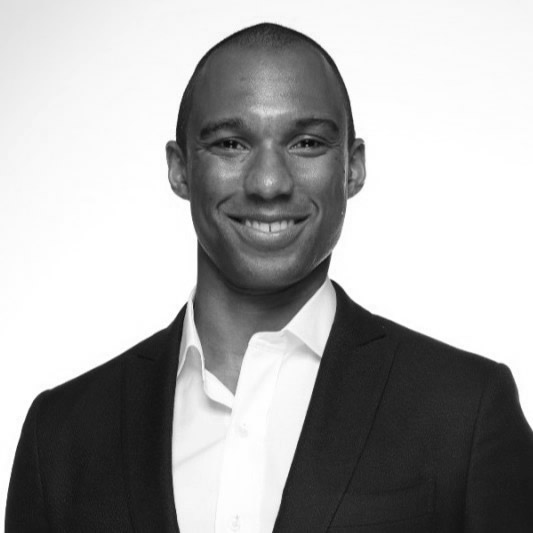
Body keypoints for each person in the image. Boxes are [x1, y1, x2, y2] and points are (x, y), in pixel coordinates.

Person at [5, 22, 533, 533]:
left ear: (352, 168)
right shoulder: (62, 435)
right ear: (180, 169)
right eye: (231, 144)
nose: (268, 183)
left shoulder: (465, 411)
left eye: (306, 143)